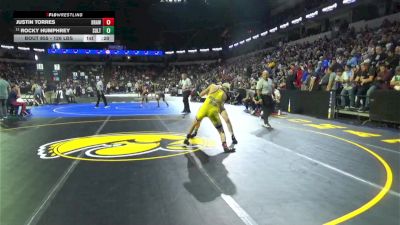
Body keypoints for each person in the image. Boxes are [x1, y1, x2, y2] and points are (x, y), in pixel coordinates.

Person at [184, 83, 234, 153]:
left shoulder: (212, 86)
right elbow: (220, 107)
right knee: (221, 131)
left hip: (204, 109)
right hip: (213, 112)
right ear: (227, 90)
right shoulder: (225, 96)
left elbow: (201, 95)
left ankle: (186, 139)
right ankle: (225, 147)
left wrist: (205, 93)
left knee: (195, 122)